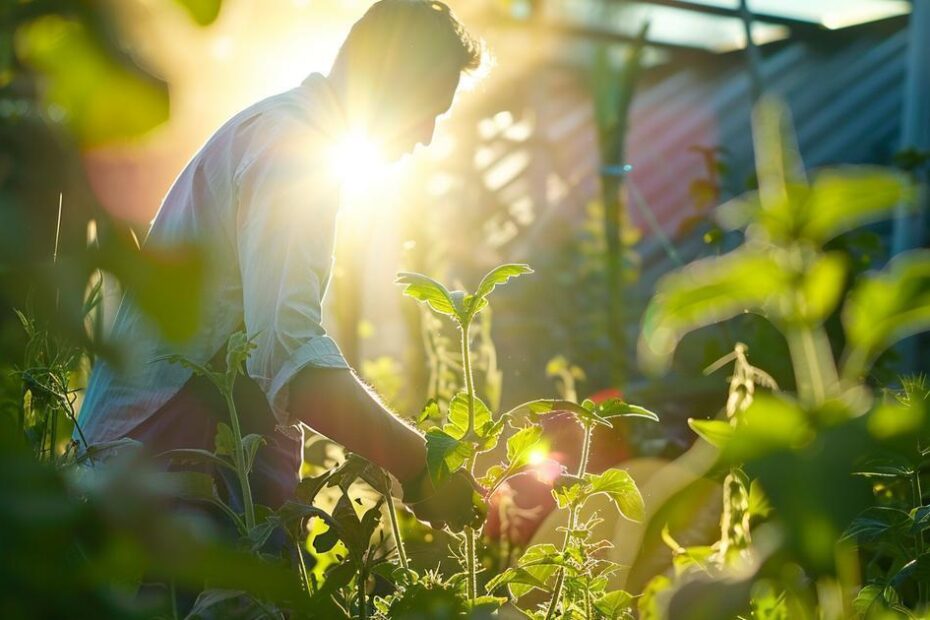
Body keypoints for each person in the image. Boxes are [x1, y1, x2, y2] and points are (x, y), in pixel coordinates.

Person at [75, 0, 486, 533]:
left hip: (159, 473)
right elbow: (291, 356)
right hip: (164, 482)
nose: (428, 134)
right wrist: (422, 465)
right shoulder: (295, 147)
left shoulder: (283, 131)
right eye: (431, 104)